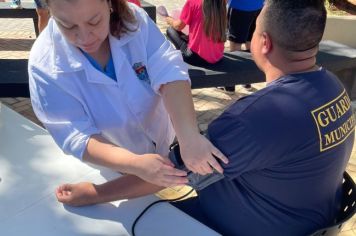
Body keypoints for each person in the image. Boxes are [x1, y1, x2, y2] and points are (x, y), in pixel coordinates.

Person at [55, 0, 355, 235]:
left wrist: (94, 194)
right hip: (310, 218)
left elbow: (167, 175)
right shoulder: (332, 86)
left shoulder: (254, 119)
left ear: (263, 42)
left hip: (241, 226)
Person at [28, 0, 228, 188]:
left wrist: (188, 135)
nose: (85, 37)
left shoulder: (135, 20)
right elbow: (75, 134)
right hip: (108, 170)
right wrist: (133, 163)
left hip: (164, 141)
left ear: (109, 4)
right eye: (68, 26)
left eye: (94, 21)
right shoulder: (44, 63)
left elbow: (169, 69)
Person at [163, 0, 227, 67]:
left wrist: (168, 19)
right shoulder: (221, 2)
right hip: (217, 57)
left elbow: (178, 26)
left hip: (196, 58)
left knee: (170, 30)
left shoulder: (193, 2)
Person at [224, 0, 264, 93]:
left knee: (235, 45)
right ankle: (246, 80)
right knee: (250, 42)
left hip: (240, 7)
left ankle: (230, 83)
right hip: (258, 6)